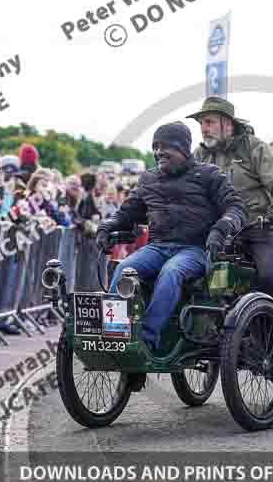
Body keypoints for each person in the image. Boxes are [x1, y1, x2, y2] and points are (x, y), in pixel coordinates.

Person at [97, 122, 246, 351]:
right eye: (155, 147)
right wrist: (107, 226)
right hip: (158, 247)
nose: (158, 152)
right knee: (124, 268)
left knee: (171, 272)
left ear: (183, 149)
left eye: (165, 147)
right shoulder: (149, 179)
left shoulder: (209, 175)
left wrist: (220, 230)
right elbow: (126, 213)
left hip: (196, 249)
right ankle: (115, 334)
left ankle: (147, 340)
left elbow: (236, 208)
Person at [188, 98, 273, 344]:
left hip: (262, 229)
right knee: (194, 277)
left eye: (209, 122)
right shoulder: (199, 155)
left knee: (269, 276)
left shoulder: (255, 148)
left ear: (228, 124)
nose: (204, 129)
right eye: (201, 124)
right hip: (220, 232)